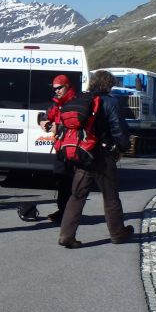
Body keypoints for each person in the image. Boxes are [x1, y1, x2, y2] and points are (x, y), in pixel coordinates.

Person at [56, 70, 135, 248]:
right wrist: (123, 147)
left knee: (77, 195)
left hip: (83, 154)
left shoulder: (81, 99)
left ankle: (66, 235)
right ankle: (117, 233)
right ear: (108, 85)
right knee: (110, 196)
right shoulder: (110, 102)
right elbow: (119, 129)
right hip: (103, 156)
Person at [26, 74, 76, 224]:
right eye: (55, 89)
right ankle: (63, 211)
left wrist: (58, 127)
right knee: (61, 180)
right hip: (60, 147)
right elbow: (47, 115)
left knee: (71, 182)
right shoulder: (57, 103)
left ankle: (69, 214)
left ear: (67, 86)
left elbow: (75, 123)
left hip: (73, 148)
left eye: (59, 88)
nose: (57, 91)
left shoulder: (75, 101)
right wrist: (44, 122)